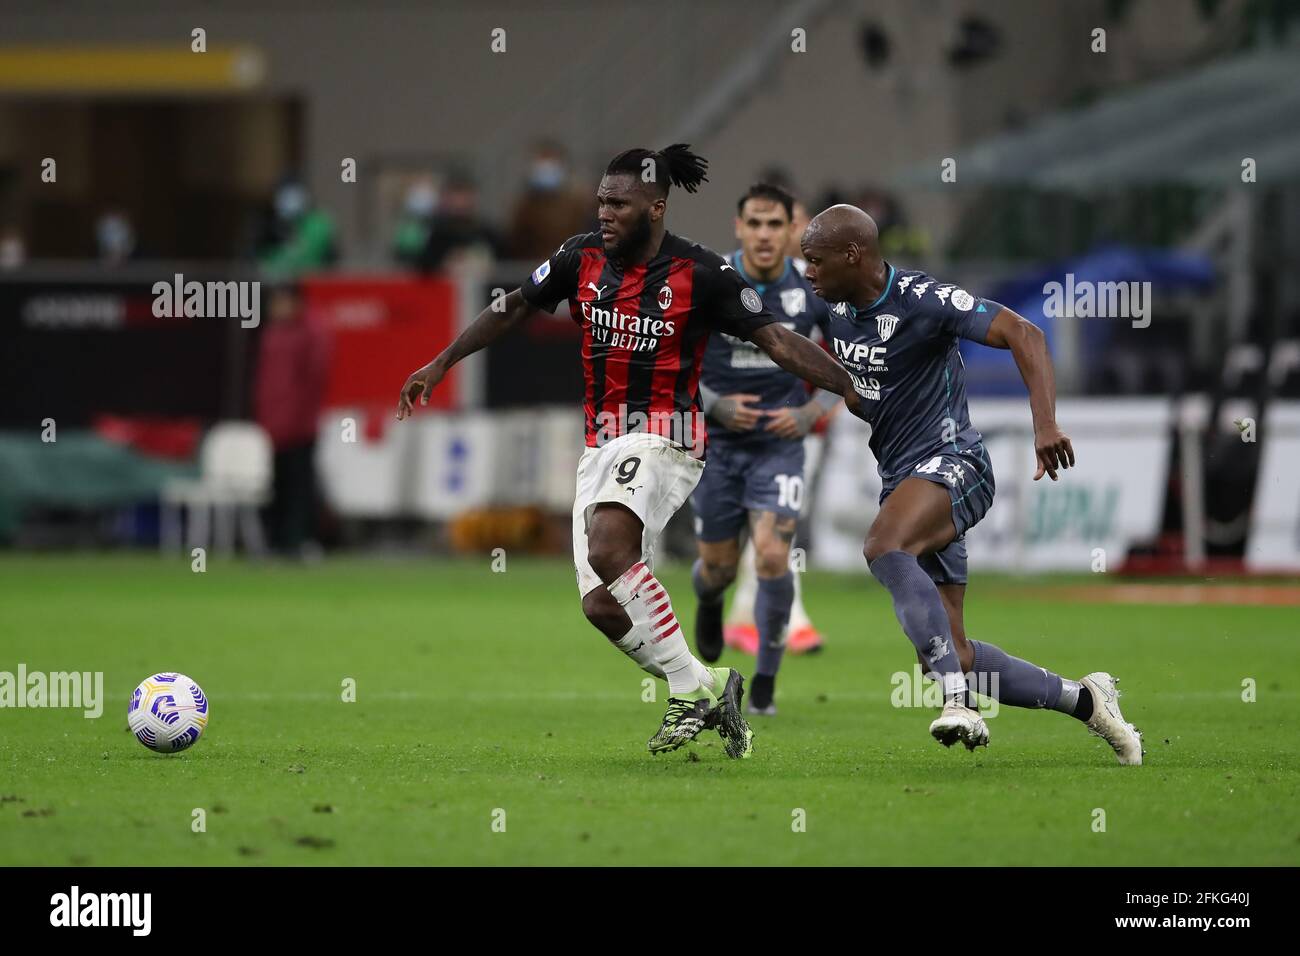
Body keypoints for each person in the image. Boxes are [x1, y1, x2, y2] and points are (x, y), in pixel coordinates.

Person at [397, 146, 866, 758]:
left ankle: (683, 694)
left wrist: (853, 390)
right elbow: (513, 306)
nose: (605, 213)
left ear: (655, 208)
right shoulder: (579, 256)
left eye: (618, 204)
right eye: (601, 201)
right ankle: (708, 682)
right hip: (602, 444)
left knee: (610, 546)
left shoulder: (702, 274)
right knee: (601, 605)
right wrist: (441, 362)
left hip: (667, 434)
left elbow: (779, 340)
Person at [801, 204, 1142, 764]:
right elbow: (836, 373)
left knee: (884, 546)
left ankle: (959, 705)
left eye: (815, 260)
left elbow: (1023, 332)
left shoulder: (922, 300)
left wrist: (1046, 424)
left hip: (956, 461)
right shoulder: (834, 312)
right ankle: (1089, 701)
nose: (808, 272)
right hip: (905, 479)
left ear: (853, 254)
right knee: (951, 652)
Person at [690, 183, 837, 716]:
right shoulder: (708, 282)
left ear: (792, 229)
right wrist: (713, 404)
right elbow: (671, 364)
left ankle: (766, 686)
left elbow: (848, 370)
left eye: (775, 224)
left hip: (779, 447)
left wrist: (807, 414)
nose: (765, 235)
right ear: (738, 227)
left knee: (773, 556)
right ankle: (708, 600)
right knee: (719, 569)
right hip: (718, 447)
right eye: (754, 223)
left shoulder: (812, 291)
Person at [254, 283, 333, 558]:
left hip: (300, 426)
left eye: (282, 302)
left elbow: (314, 380)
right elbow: (265, 382)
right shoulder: (272, 333)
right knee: (276, 486)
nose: (277, 309)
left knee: (301, 486)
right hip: (273, 426)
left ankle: (302, 542)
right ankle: (276, 543)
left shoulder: (311, 332)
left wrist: (300, 419)